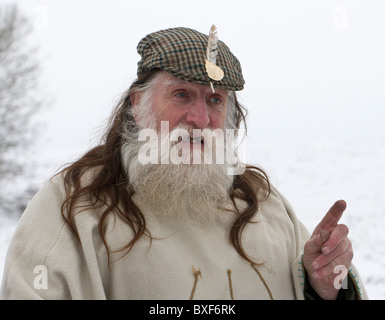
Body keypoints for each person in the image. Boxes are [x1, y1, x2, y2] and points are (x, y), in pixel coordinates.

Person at [1, 26, 367, 300]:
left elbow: (319, 285)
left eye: (215, 101)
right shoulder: (73, 203)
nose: (200, 119)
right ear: (136, 103)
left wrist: (325, 286)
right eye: (181, 95)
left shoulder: (265, 204)